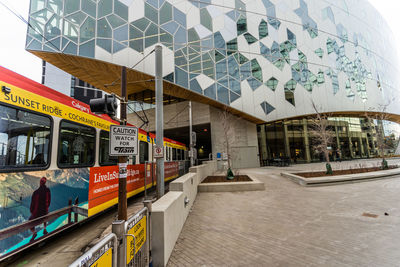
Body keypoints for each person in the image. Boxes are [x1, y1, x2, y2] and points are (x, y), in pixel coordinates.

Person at [29, 177, 51, 242]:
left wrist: (32, 212)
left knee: (30, 221)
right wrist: (46, 208)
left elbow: (32, 204)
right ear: (45, 183)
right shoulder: (48, 190)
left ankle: (34, 233)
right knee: (45, 214)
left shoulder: (36, 193)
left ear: (40, 182)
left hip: (37, 213)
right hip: (45, 211)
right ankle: (44, 229)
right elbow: (49, 201)